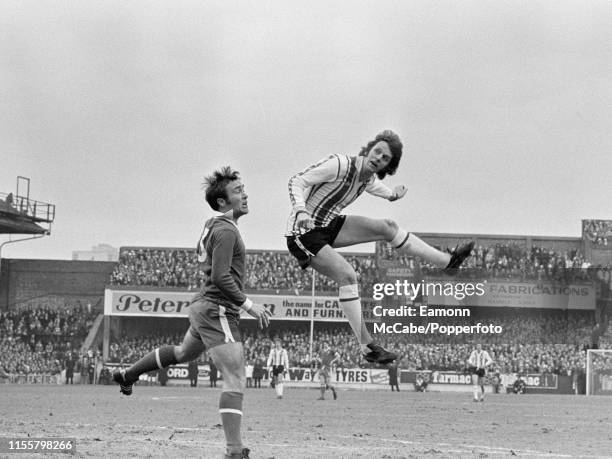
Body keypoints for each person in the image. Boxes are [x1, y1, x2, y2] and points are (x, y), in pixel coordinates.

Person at [113, 167, 272, 459]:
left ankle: (128, 374)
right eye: (238, 191)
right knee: (235, 377)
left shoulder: (214, 225)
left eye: (243, 188)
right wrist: (250, 305)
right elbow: (221, 278)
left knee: (183, 352)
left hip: (204, 306)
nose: (245, 194)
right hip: (217, 307)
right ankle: (234, 451)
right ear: (223, 202)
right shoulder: (226, 231)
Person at [285, 130, 474, 364]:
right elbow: (296, 180)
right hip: (302, 231)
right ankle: (367, 347)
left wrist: (393, 196)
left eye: (385, 159)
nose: (378, 158)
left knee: (387, 226)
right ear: (369, 148)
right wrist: (301, 210)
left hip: (328, 225)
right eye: (377, 152)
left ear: (388, 165)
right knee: (347, 276)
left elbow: (377, 188)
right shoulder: (340, 164)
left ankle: (449, 262)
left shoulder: (367, 178)